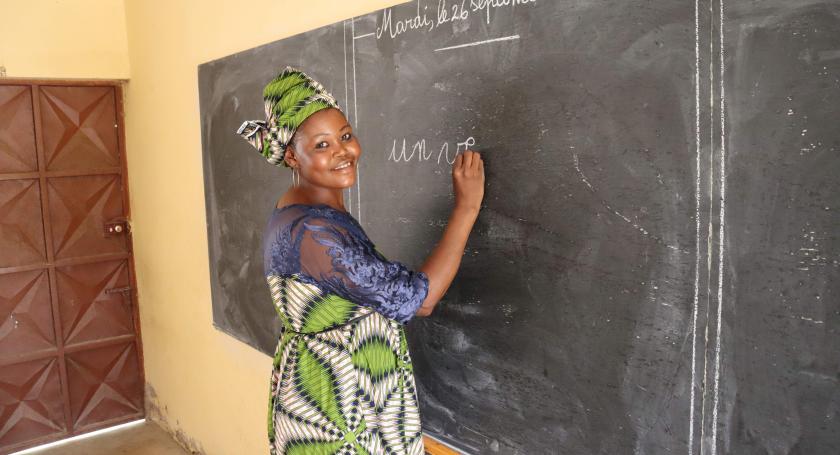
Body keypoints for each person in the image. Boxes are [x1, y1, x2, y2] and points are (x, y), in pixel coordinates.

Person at [237, 66, 484, 455]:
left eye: (346, 135)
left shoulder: (303, 210)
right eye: (321, 145)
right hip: (343, 414)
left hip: (336, 397)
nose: (343, 151)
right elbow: (420, 300)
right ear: (291, 156)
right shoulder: (316, 234)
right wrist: (467, 207)